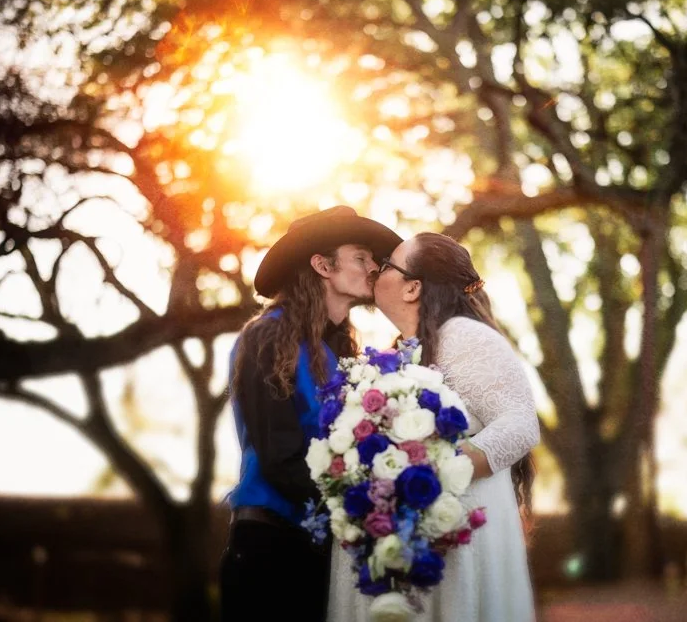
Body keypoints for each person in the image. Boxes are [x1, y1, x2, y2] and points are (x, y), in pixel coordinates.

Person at [328, 232, 540, 622]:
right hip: (398, 540)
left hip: (452, 544)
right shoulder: (401, 352)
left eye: (388, 264)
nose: (376, 270)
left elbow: (519, 424)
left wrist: (426, 473)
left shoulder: (464, 336)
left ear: (412, 288)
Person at [221, 205, 402, 622]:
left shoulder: (342, 351)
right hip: (270, 551)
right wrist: (369, 507)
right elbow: (280, 457)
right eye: (361, 257)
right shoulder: (269, 338)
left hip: (325, 549)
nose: (374, 267)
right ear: (322, 265)